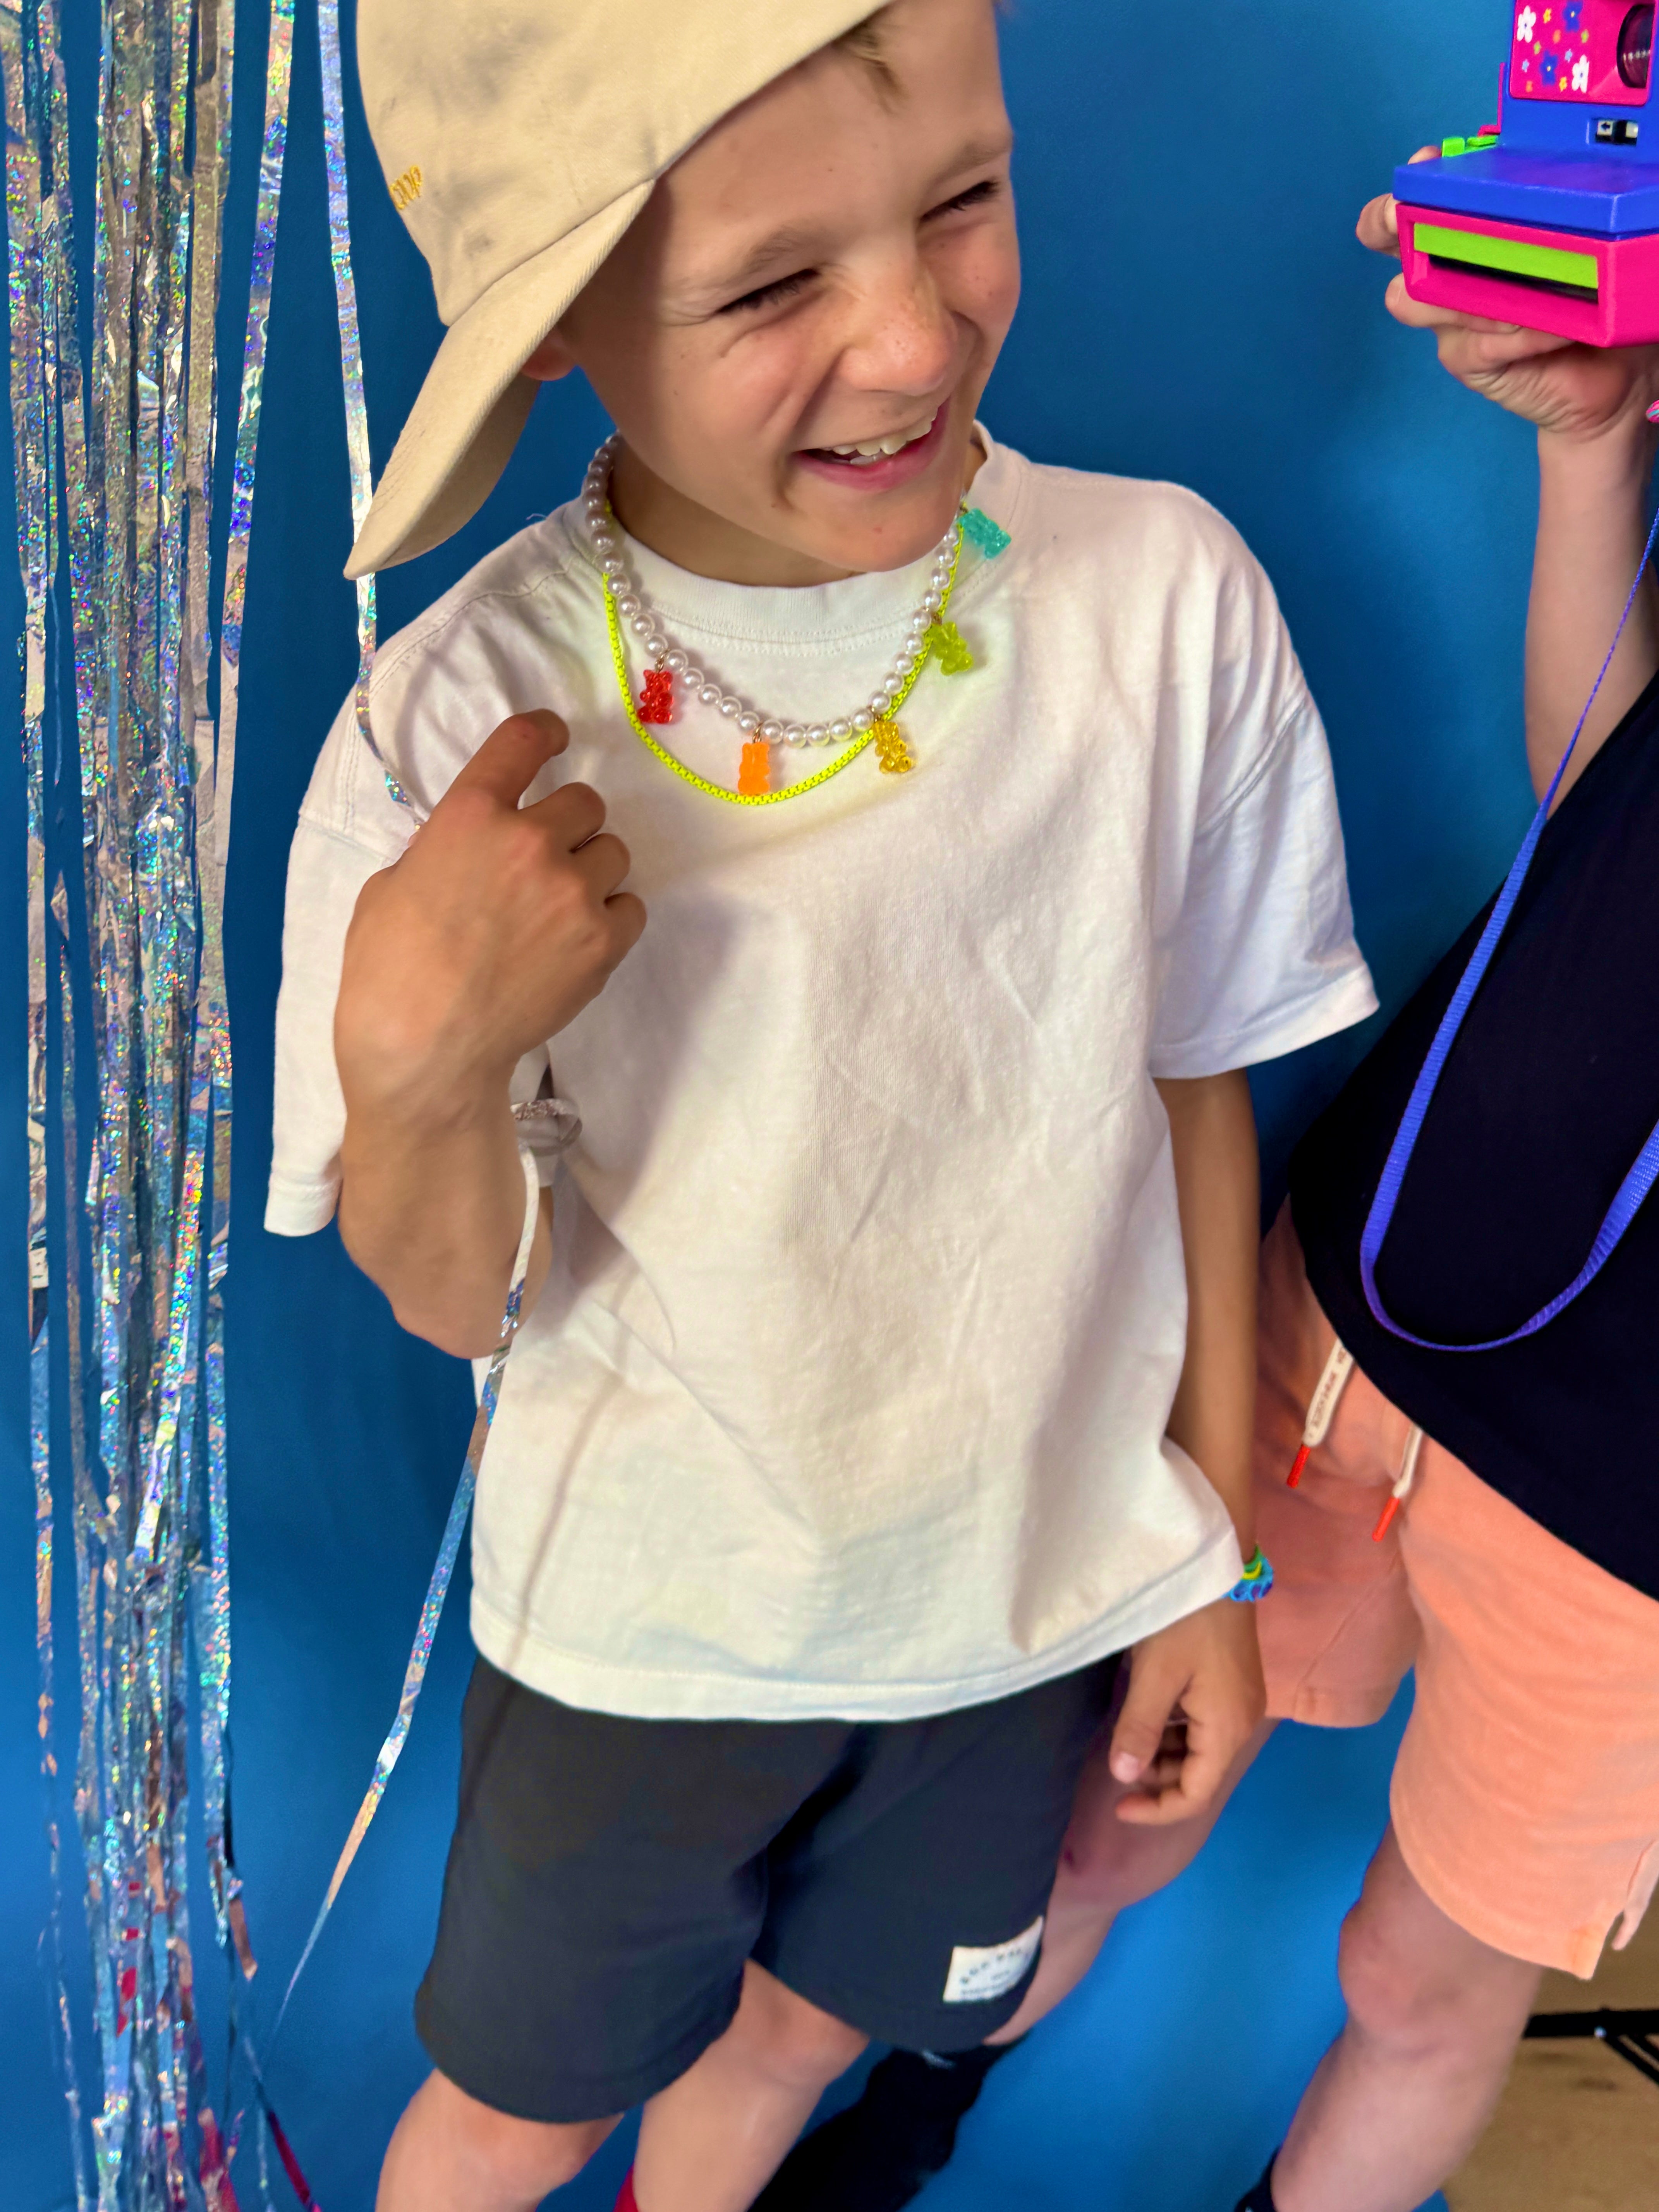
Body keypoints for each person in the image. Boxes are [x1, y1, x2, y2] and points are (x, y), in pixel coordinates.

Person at [264, 4, 1376, 2208]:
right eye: (772, 285)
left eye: (966, 198)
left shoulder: (1165, 603)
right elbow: (454, 1296)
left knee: (790, 2053)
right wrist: (421, 1060)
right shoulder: (467, 720)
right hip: (643, 1631)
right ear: (562, 320)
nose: (907, 340)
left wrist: (1204, 1558)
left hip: (1016, 1612)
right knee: (522, 2105)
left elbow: (1194, 1087)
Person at [762, 144, 1659, 2212]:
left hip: (1622, 1523)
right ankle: (888, 2147)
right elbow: (1597, 793)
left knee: (1421, 1982)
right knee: (1099, 1808)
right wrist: (1595, 453)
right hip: (1355, 1293)